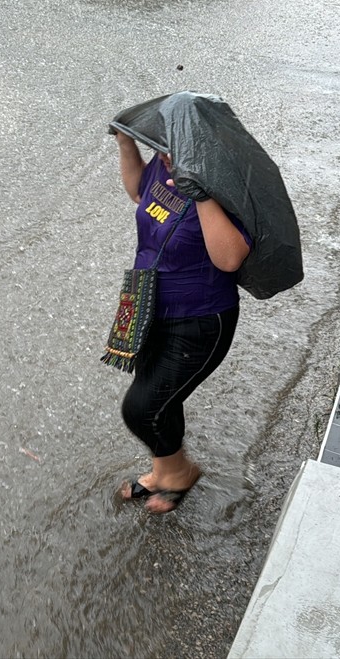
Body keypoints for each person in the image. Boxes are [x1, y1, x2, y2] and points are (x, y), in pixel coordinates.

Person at [113, 130, 252, 514]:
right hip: (147, 303)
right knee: (161, 397)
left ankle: (181, 473)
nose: (165, 152)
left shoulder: (223, 184)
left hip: (200, 320)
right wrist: (126, 142)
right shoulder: (162, 164)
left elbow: (230, 259)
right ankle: (164, 472)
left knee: (142, 407)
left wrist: (200, 192)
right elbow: (141, 195)